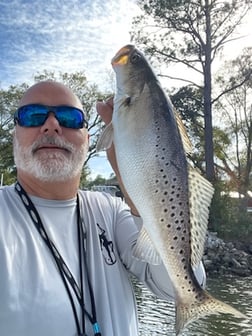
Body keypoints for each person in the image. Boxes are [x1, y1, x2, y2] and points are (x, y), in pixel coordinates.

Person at [0, 81, 206, 336]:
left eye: (69, 118)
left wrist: (134, 169)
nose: (51, 125)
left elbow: (174, 287)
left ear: (88, 140)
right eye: (32, 116)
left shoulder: (111, 211)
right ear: (15, 136)